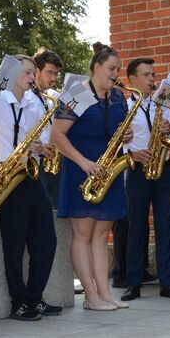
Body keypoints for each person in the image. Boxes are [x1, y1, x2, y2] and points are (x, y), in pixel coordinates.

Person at [50, 42, 133, 311]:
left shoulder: (118, 97)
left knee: (101, 236)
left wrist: (126, 136)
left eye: (118, 69)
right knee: (83, 234)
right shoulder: (77, 94)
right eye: (111, 68)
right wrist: (83, 162)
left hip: (107, 170)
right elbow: (56, 136)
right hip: (81, 169)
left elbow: (117, 130)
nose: (116, 73)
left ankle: (104, 293)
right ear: (96, 67)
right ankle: (90, 295)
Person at [0, 55, 60, 321]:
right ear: (12, 73)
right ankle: (19, 302)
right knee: (13, 244)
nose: (32, 77)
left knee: (46, 239)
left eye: (32, 73)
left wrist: (43, 146)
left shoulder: (36, 102)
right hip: (8, 176)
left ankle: (35, 297)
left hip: (32, 175)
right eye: (27, 72)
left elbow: (45, 138)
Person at [120, 57, 170, 301]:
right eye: (146, 75)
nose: (152, 79)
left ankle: (167, 283)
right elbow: (116, 142)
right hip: (137, 170)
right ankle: (133, 283)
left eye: (153, 75)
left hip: (164, 170)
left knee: (165, 227)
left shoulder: (163, 105)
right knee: (136, 227)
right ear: (132, 80)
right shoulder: (124, 107)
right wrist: (132, 152)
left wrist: (169, 132)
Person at [31, 48, 63, 211]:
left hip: (54, 161)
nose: (53, 78)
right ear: (37, 70)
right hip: (34, 162)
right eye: (50, 73)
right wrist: (41, 146)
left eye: (56, 74)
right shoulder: (25, 97)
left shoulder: (55, 97)